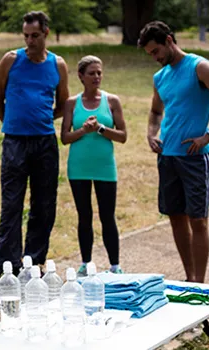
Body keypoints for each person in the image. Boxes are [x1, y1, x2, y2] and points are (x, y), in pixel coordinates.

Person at [139, 21, 209, 283]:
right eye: (150, 54)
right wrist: (152, 133)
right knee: (176, 218)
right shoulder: (160, 77)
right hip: (168, 156)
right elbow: (155, 111)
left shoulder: (199, 67)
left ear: (169, 40)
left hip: (195, 158)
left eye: (156, 51)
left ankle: (200, 283)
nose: (155, 58)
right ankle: (189, 277)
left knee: (198, 221)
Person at [0, 11, 69, 276]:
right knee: (11, 204)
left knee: (44, 205)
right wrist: (13, 123)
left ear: (46, 33)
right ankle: (8, 269)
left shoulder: (58, 65)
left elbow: (63, 103)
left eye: (35, 35)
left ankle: (34, 263)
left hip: (45, 142)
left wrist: (41, 119)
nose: (30, 41)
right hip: (15, 142)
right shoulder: (11, 60)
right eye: (26, 36)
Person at [60, 55, 127, 276]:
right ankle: (86, 263)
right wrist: (83, 131)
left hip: (105, 167)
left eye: (99, 72)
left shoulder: (112, 101)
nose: (97, 77)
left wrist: (99, 129)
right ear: (81, 76)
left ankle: (115, 266)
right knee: (84, 215)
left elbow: (122, 136)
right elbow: (65, 137)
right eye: (91, 73)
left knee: (108, 215)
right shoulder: (72, 103)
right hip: (79, 167)